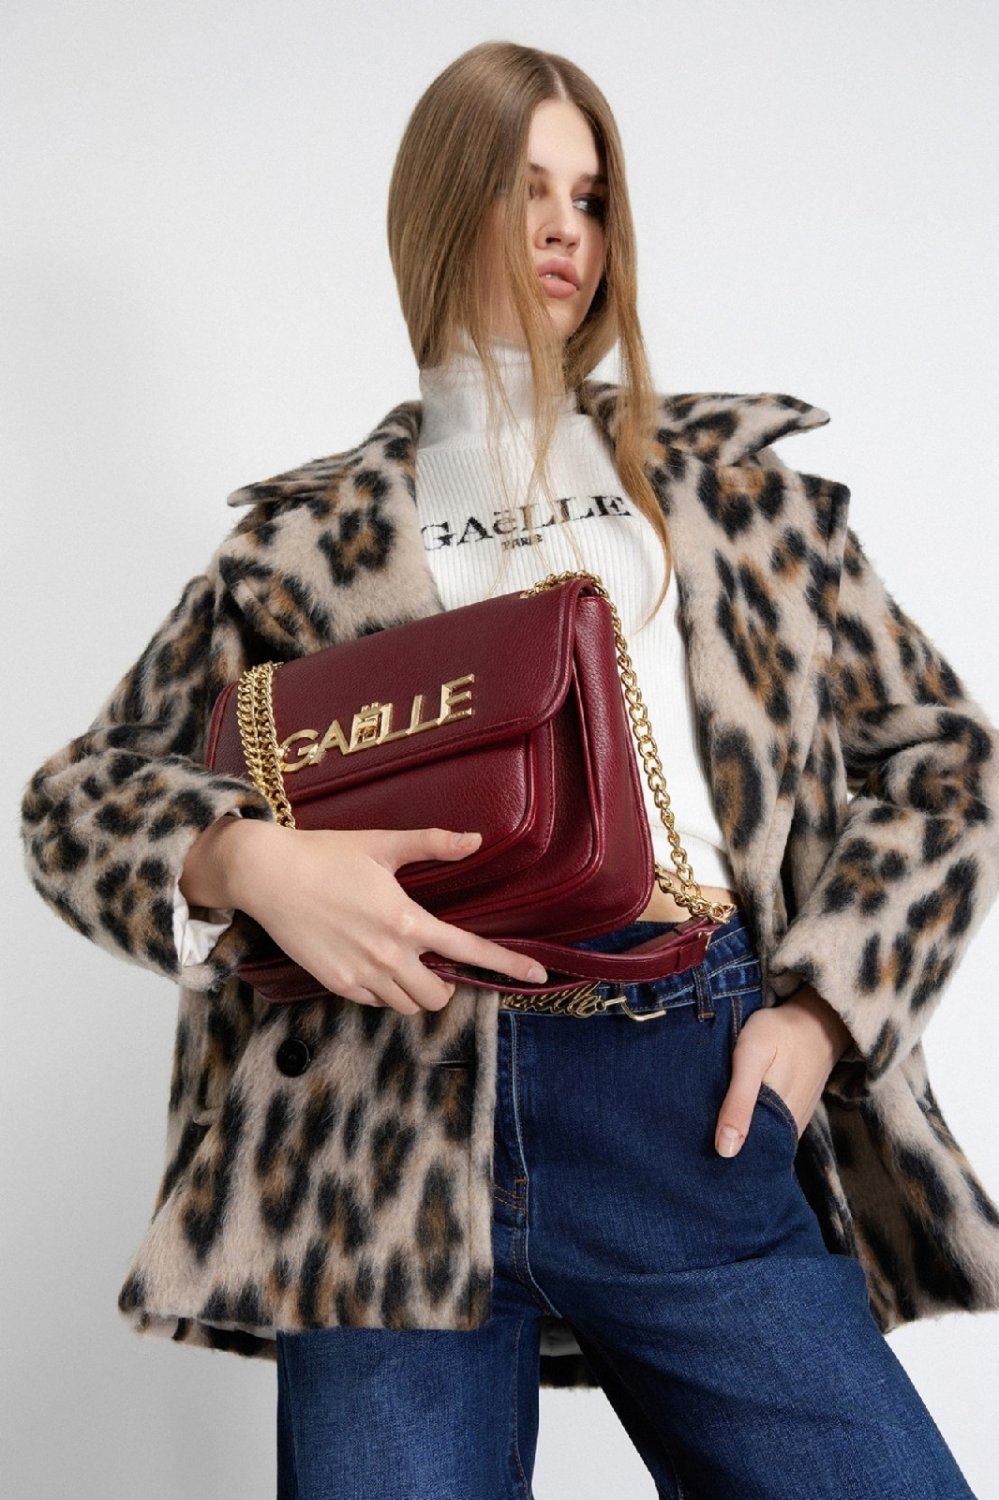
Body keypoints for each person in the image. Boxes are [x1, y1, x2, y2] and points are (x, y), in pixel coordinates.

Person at [19, 38, 999, 1500]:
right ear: (441, 205)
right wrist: (248, 860)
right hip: (378, 1121)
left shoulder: (733, 497)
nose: (564, 229)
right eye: (523, 187)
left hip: (691, 1091)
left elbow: (950, 765)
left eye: (590, 197)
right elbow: (77, 798)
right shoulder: (297, 542)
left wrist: (819, 1016)